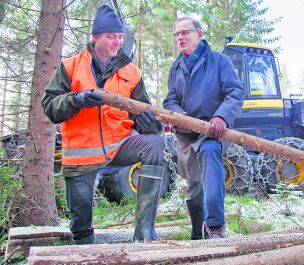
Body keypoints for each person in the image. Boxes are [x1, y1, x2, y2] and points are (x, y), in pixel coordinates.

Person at [42, 5, 165, 244]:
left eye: (120, 37)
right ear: (95, 37)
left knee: (154, 144)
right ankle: (84, 244)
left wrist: (148, 125)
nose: (117, 42)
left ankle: (145, 231)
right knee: (81, 226)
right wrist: (76, 99)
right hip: (81, 154)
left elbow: (143, 112)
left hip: (118, 145)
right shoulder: (70, 67)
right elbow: (49, 107)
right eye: (111, 37)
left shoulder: (132, 72)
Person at [163, 16, 244, 239]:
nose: (180, 37)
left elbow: (235, 93)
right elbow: (170, 100)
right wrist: (176, 113)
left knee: (209, 155)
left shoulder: (220, 62)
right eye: (177, 34)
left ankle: (216, 227)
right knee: (195, 187)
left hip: (212, 132)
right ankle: (198, 232)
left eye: (185, 32)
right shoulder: (176, 67)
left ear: (199, 34)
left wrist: (221, 117)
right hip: (186, 135)